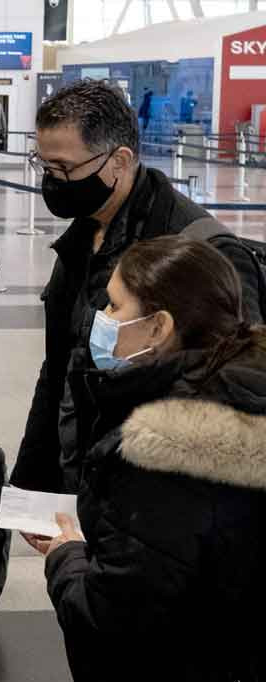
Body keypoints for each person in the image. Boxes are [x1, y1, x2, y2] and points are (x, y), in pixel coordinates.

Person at [10, 79, 262, 506]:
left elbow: (239, 394)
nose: (52, 182)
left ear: (119, 161)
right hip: (87, 476)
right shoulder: (84, 234)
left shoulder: (199, 252)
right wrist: (35, 482)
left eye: (64, 169)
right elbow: (59, 367)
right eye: (44, 166)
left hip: (153, 499)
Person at [38, 236, 266, 682]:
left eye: (115, 307)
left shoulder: (164, 450)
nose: (101, 320)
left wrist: (67, 556)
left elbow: (110, 618)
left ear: (159, 327)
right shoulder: (246, 392)